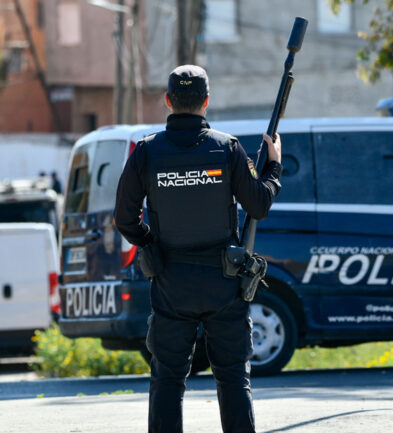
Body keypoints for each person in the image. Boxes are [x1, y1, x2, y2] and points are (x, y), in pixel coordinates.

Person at [114, 65, 283, 433]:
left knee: (167, 379)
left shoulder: (146, 152)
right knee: (233, 378)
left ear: (168, 101)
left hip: (171, 283)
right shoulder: (227, 148)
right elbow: (259, 206)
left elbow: (124, 218)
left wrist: (150, 242)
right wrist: (273, 168)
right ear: (206, 101)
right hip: (224, 282)